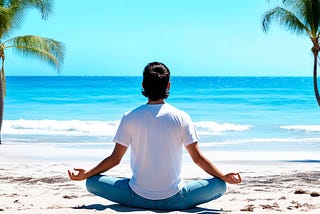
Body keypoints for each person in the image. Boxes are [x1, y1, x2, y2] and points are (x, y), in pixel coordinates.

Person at [68, 62, 241, 211]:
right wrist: (223, 176)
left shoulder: (130, 116)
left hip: (135, 198)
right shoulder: (182, 117)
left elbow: (115, 159)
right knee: (220, 186)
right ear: (168, 86)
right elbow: (198, 159)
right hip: (175, 200)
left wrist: (87, 174)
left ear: (143, 84)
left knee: (91, 182)